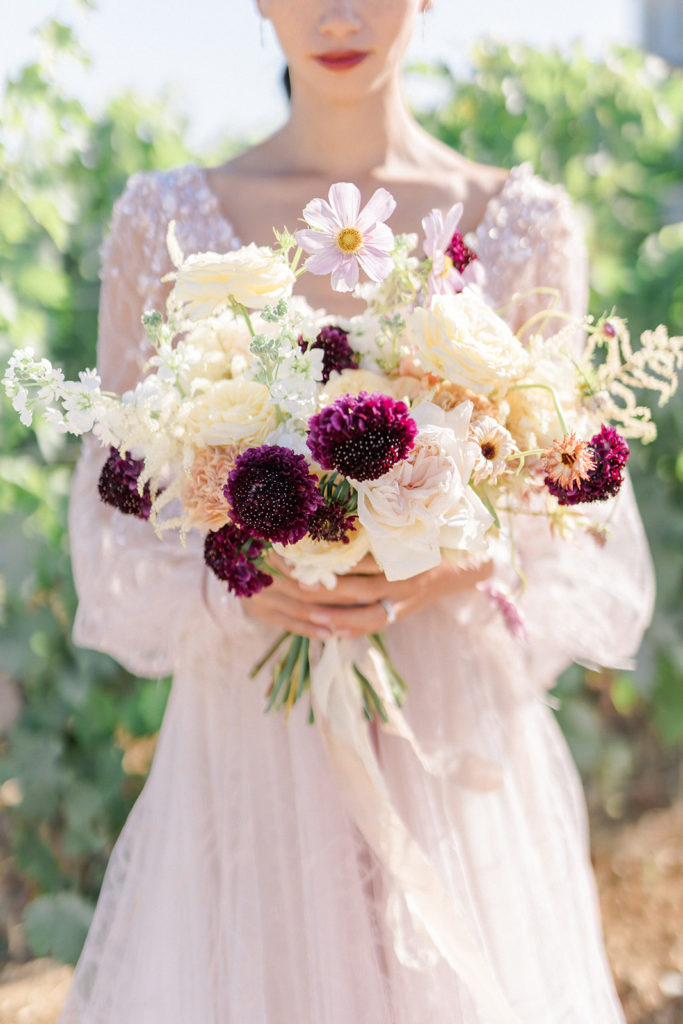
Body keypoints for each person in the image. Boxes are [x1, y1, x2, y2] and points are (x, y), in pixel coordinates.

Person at [59, 1, 655, 1021]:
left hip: (448, 736)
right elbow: (119, 518)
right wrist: (238, 582)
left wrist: (456, 558)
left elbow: (574, 521)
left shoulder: (524, 224)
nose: (338, 12)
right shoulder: (162, 222)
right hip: (253, 731)